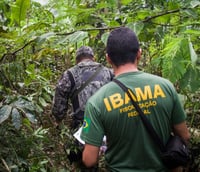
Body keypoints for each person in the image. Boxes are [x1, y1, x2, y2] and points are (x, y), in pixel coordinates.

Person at [80, 27, 190, 172]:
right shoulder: (166, 87)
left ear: (108, 58)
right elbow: (184, 136)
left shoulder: (97, 102)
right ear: (139, 53)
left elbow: (89, 160)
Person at [52, 46, 113, 170]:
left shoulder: (69, 74)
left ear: (76, 60)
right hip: (108, 126)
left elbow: (59, 104)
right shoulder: (109, 72)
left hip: (83, 127)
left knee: (82, 162)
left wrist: (58, 119)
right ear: (93, 58)